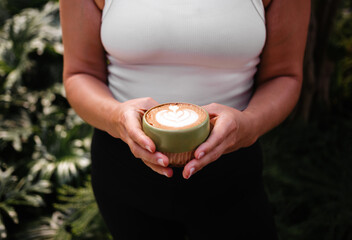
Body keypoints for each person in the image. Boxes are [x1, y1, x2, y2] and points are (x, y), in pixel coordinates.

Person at [60, 0, 310, 239]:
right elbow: (80, 73)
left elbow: (284, 75)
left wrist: (250, 124)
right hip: (125, 165)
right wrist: (116, 117)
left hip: (230, 169)